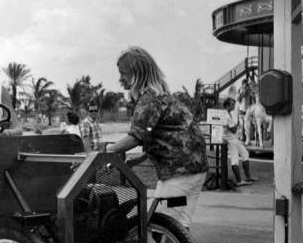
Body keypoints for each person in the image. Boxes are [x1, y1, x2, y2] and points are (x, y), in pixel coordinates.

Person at [107, 46, 208, 229]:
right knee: (171, 222)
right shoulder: (161, 95)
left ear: (137, 73)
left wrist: (106, 151)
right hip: (192, 168)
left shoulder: (149, 98)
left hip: (179, 172)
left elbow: (135, 137)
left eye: (124, 73)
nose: (120, 79)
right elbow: (158, 132)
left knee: (167, 225)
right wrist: (139, 158)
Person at [222, 97, 255, 186]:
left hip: (234, 138)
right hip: (231, 139)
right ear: (228, 105)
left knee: (245, 154)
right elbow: (233, 129)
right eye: (232, 104)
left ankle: (248, 177)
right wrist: (237, 125)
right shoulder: (226, 116)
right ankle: (239, 180)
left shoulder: (229, 114)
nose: (233, 106)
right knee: (234, 159)